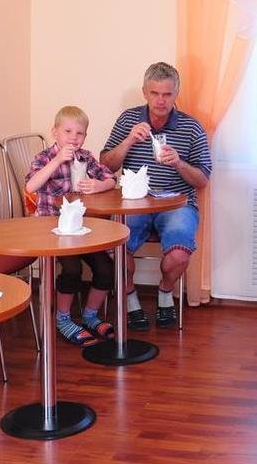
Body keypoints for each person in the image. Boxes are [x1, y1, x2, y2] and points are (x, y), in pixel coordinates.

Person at [101, 62, 211, 331]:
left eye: (167, 94)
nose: (161, 101)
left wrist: (179, 163)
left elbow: (203, 180)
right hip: (134, 203)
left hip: (177, 205)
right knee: (114, 248)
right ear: (145, 93)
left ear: (176, 94)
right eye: (155, 93)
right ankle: (130, 299)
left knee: (179, 256)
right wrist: (128, 140)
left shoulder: (191, 127)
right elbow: (106, 165)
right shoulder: (128, 120)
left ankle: (165, 292)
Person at [26, 105, 119, 346]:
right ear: (55, 132)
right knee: (72, 268)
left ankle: (90, 315)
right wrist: (57, 160)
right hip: (50, 228)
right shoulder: (45, 157)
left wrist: (99, 185)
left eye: (80, 133)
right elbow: (30, 186)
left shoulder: (85, 158)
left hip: (79, 227)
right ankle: (63, 319)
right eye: (67, 131)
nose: (73, 138)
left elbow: (111, 178)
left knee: (106, 267)